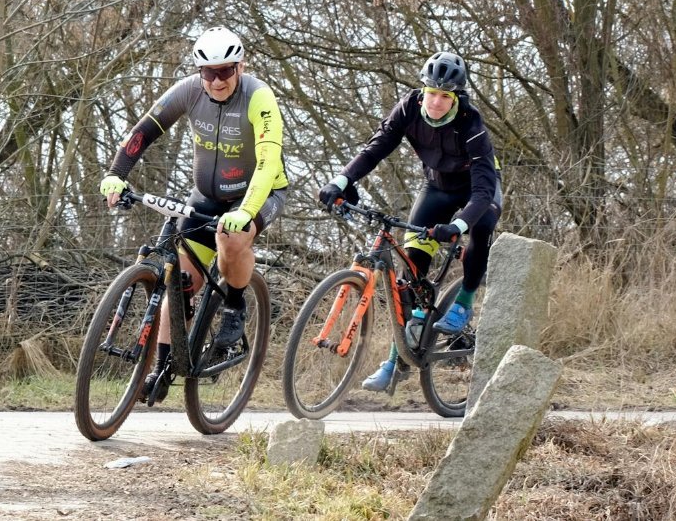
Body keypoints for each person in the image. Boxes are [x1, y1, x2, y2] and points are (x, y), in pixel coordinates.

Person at [100, 26, 288, 402]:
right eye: (209, 73)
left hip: (259, 192)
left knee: (231, 237)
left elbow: (268, 163)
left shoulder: (259, 97)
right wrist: (115, 175)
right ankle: (163, 366)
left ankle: (235, 304)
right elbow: (141, 134)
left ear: (240, 67)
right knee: (181, 280)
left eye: (225, 71)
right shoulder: (187, 90)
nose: (217, 81)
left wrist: (246, 212)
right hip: (205, 195)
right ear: (199, 72)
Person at [317, 51, 500, 392]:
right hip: (436, 188)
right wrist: (342, 181)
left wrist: (458, 225)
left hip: (476, 191)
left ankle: (464, 302)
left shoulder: (471, 125)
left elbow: (484, 191)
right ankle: (395, 360)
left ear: (456, 97)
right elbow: (376, 148)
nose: (435, 101)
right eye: (431, 92)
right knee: (411, 270)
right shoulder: (408, 107)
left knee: (482, 227)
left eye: (445, 96)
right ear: (422, 90)